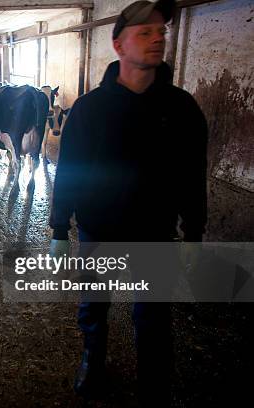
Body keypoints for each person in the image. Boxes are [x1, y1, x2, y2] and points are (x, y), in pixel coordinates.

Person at [48, 0, 208, 405]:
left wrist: (194, 232)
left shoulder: (181, 109)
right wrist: (58, 227)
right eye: (145, 32)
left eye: (162, 32)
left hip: (154, 231)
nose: (158, 38)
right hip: (98, 227)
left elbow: (191, 175)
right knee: (94, 305)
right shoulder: (89, 110)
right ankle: (92, 358)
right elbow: (70, 170)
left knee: (153, 315)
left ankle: (153, 381)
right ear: (118, 45)